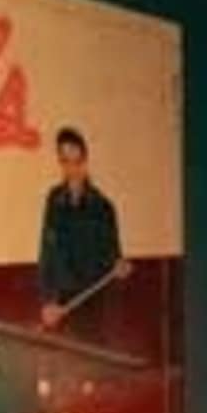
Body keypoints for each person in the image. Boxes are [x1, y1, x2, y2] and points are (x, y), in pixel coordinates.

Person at [37, 127, 127, 329]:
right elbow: (46, 253)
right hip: (60, 304)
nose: (72, 170)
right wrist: (47, 302)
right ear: (60, 163)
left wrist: (119, 266)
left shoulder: (103, 207)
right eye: (65, 162)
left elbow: (114, 257)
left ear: (85, 161)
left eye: (77, 162)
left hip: (93, 304)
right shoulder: (54, 201)